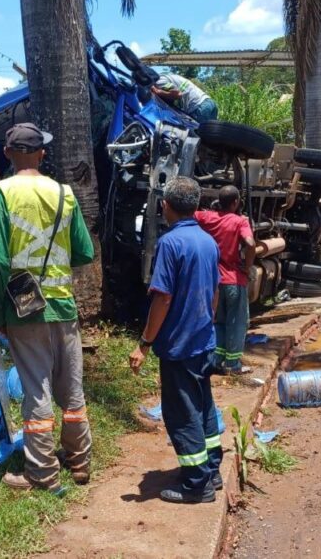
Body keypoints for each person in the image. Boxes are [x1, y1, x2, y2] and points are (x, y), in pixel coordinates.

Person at [0, 123, 94, 493]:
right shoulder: (64, 193)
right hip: (62, 305)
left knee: (37, 390)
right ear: (43, 154)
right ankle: (79, 461)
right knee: (72, 390)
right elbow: (85, 251)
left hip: (23, 309)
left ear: (8, 154)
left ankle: (43, 474)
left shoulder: (2, 192)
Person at [129, 177, 223, 504]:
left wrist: (144, 343)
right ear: (196, 206)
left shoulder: (171, 244)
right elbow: (214, 293)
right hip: (204, 341)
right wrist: (208, 324)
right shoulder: (208, 242)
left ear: (166, 206)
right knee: (204, 406)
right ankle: (212, 470)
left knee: (182, 413)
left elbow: (163, 298)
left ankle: (197, 485)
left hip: (179, 346)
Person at [194, 185, 256, 374]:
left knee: (218, 322)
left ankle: (216, 359)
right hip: (234, 281)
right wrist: (247, 266)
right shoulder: (239, 221)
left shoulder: (207, 217)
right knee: (236, 322)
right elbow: (251, 243)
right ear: (236, 202)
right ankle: (233, 364)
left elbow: (190, 213)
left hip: (213, 282)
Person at [151, 73, 218, 123]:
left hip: (198, 108)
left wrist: (157, 92)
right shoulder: (168, 76)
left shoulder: (159, 81)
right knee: (211, 136)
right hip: (209, 102)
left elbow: (177, 94)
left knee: (200, 138)